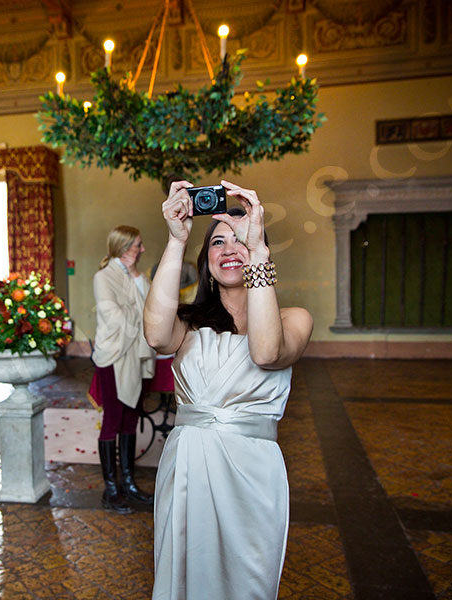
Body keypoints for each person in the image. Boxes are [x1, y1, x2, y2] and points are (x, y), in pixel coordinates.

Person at [144, 180, 314, 599]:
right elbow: (154, 335)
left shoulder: (295, 318)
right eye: (219, 242)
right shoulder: (188, 325)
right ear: (206, 260)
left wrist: (258, 253)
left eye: (241, 240)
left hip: (253, 474)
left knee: (248, 582)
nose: (229, 249)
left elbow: (265, 351)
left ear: (261, 250)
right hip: (188, 469)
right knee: (183, 578)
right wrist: (175, 239)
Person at [90, 225, 156, 513]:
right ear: (124, 247)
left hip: (138, 353)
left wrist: (137, 281)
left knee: (131, 418)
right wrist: (139, 311)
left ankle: (128, 482)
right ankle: (111, 489)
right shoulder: (102, 277)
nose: (142, 250)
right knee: (113, 419)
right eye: (138, 245)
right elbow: (112, 316)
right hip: (115, 354)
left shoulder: (138, 276)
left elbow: (155, 307)